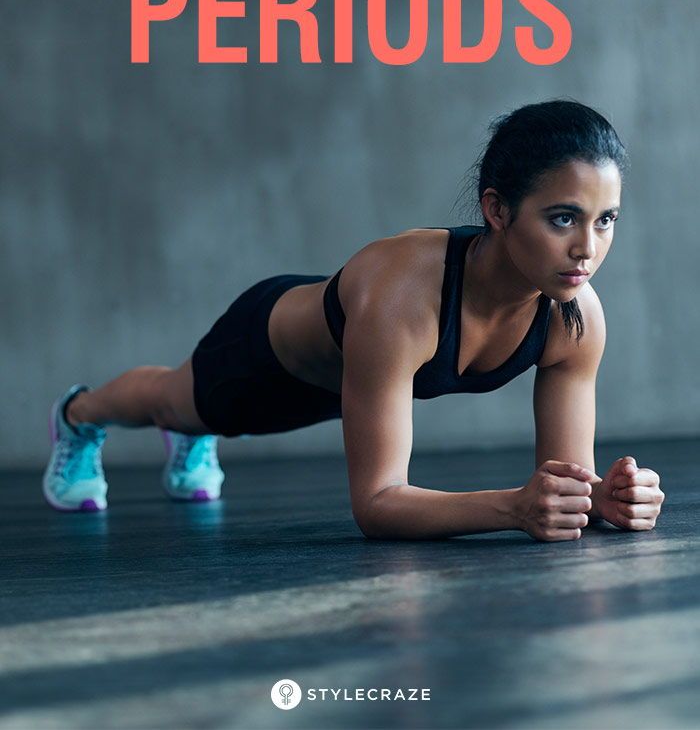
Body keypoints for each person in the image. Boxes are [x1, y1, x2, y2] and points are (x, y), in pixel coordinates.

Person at [42, 99, 665, 540]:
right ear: (497, 210)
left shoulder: (575, 317)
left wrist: (603, 502)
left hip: (357, 387)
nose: (588, 247)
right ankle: (77, 416)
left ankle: (182, 435)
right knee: (173, 402)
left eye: (605, 219)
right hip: (272, 359)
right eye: (563, 218)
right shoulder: (404, 294)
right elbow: (377, 505)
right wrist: (511, 508)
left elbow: (565, 481)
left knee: (188, 414)